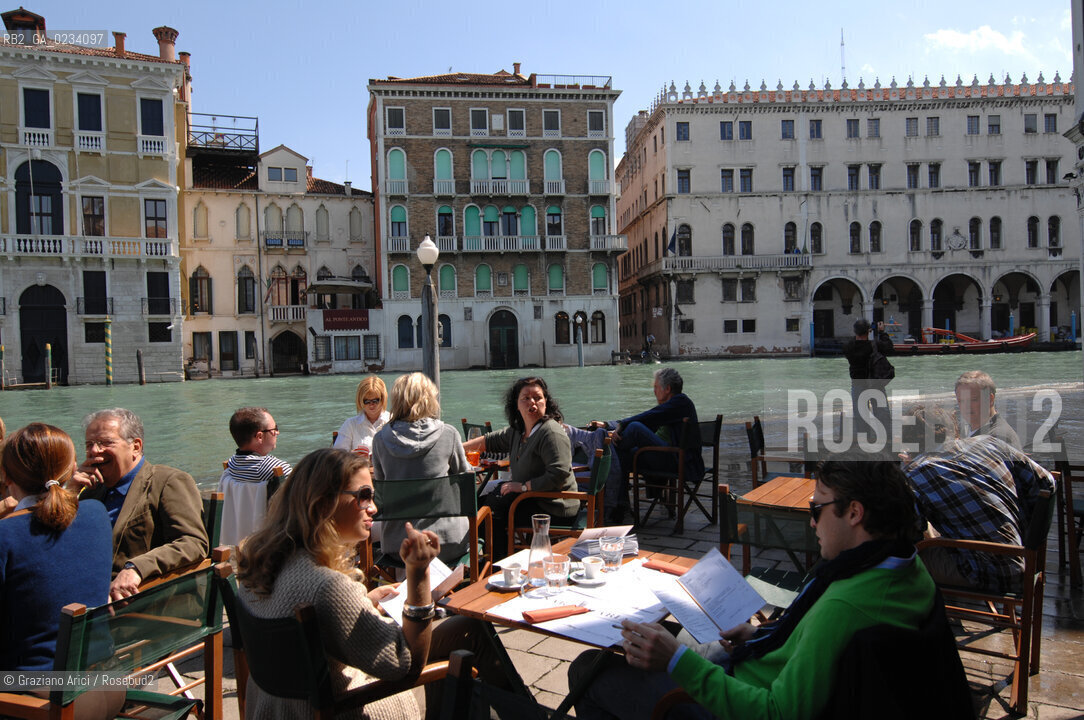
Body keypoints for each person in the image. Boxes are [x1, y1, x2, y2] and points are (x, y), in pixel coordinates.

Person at [570, 460, 934, 720]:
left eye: (817, 507)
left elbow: (777, 712)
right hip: (757, 660)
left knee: (588, 670)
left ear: (854, 513)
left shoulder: (845, 606)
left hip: (739, 696)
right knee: (660, 630)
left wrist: (677, 662)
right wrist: (765, 634)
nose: (811, 520)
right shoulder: (904, 567)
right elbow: (812, 644)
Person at [236, 448, 514, 720]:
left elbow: (304, 623)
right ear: (323, 504)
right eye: (364, 497)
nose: (374, 508)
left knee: (466, 628)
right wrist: (417, 574)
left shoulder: (258, 564)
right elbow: (406, 665)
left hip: (279, 708)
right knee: (470, 634)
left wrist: (365, 602)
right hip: (349, 706)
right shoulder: (328, 587)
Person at [0, 423, 124, 719]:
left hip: (44, 697)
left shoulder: (6, 535)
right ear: (71, 468)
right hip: (108, 683)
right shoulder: (95, 514)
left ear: (5, 476)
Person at [902, 404, 1054, 593]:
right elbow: (1047, 481)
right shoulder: (989, 443)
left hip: (989, 573)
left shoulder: (916, 473)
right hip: (1025, 557)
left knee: (898, 561)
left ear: (909, 440)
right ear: (952, 427)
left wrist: (908, 471)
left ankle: (926, 617)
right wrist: (1027, 532)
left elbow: (909, 535)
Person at [72, 408, 208, 601]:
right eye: (89, 444)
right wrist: (70, 494)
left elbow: (193, 543)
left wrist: (136, 568)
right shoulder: (91, 491)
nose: (94, 451)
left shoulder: (167, 481)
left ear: (135, 446)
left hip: (146, 603)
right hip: (89, 598)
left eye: (105, 443)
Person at [464, 376, 578, 558]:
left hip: (554, 505)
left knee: (492, 514)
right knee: (481, 504)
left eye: (538, 397)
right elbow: (491, 440)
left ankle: (497, 565)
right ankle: (484, 561)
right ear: (516, 404)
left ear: (546, 402)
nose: (532, 402)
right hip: (531, 498)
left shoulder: (551, 432)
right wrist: (458, 448)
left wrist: (524, 486)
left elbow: (558, 474)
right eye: (526, 398)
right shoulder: (519, 431)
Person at [371, 373, 471, 566]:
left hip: (398, 546)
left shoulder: (380, 440)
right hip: (447, 542)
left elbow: (382, 491)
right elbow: (465, 483)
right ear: (429, 399)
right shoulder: (448, 434)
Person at [590, 367, 703, 524]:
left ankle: (611, 500)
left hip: (678, 461)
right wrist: (611, 425)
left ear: (668, 388)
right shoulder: (671, 407)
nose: (654, 391)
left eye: (656, 387)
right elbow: (648, 417)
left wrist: (620, 426)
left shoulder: (681, 402)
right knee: (621, 455)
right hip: (666, 456)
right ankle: (621, 506)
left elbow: (646, 418)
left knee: (634, 429)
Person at [218, 407, 294, 546]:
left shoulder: (230, 468)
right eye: (274, 429)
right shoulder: (276, 469)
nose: (277, 432)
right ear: (259, 436)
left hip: (237, 541)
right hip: (272, 541)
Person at [842, 318, 893, 442]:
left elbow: (854, 343)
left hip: (857, 383)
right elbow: (889, 347)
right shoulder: (875, 345)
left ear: (855, 331)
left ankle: (864, 441)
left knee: (860, 416)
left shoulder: (848, 347)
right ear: (869, 331)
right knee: (882, 414)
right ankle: (886, 441)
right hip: (875, 383)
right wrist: (882, 332)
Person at [955, 370, 1022, 449]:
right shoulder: (963, 429)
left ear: (990, 399)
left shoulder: (999, 437)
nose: (966, 406)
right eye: (961, 401)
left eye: (973, 400)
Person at [335, 375, 391, 456]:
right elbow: (336, 456)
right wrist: (352, 456)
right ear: (360, 400)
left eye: (375, 401)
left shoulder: (393, 421)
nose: (371, 405)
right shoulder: (350, 424)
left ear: (383, 399)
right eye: (367, 401)